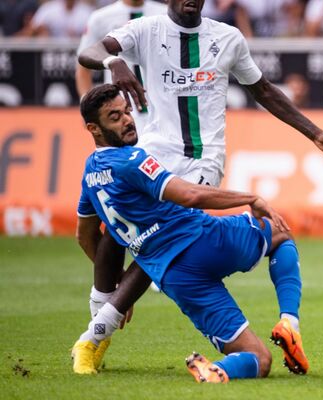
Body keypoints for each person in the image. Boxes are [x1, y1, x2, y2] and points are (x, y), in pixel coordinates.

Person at [76, 0, 323, 375]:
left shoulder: (228, 38)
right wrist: (114, 62)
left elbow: (264, 91)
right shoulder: (146, 29)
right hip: (152, 153)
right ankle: (99, 323)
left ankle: (95, 334)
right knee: (116, 235)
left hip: (202, 162)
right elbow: (89, 52)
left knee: (160, 239)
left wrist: (315, 133)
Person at [71, 84, 296, 382]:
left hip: (175, 278)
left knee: (259, 359)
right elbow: (190, 195)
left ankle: (213, 370)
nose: (127, 120)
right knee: (280, 233)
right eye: (115, 117)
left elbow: (85, 236)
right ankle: (290, 322)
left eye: (126, 111)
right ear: (93, 129)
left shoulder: (90, 174)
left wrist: (119, 284)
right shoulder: (132, 160)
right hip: (204, 241)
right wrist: (250, 198)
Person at [75, 0, 167, 130]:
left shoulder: (165, 13)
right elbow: (84, 67)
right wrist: (86, 106)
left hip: (162, 109)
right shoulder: (100, 18)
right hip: (119, 111)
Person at [29, 0, 93, 38]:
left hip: (79, 53)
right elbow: (29, 32)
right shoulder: (48, 9)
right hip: (50, 53)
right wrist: (39, 31)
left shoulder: (87, 11)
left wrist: (80, 36)